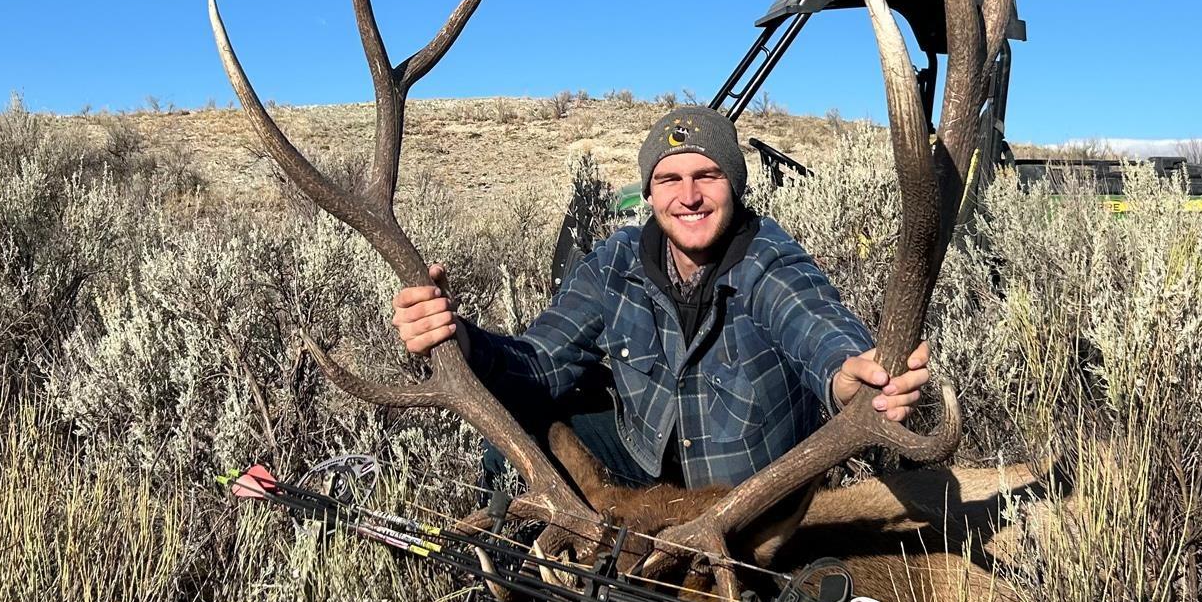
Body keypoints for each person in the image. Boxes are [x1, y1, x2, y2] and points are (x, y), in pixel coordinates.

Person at [391, 105, 934, 489]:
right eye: (670, 179)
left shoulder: (767, 259)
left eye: (707, 175)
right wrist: (457, 337)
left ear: (735, 186)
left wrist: (848, 376)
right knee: (513, 447)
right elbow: (540, 364)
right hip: (645, 466)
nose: (689, 196)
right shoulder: (616, 263)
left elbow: (815, 326)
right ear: (649, 193)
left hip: (747, 499)